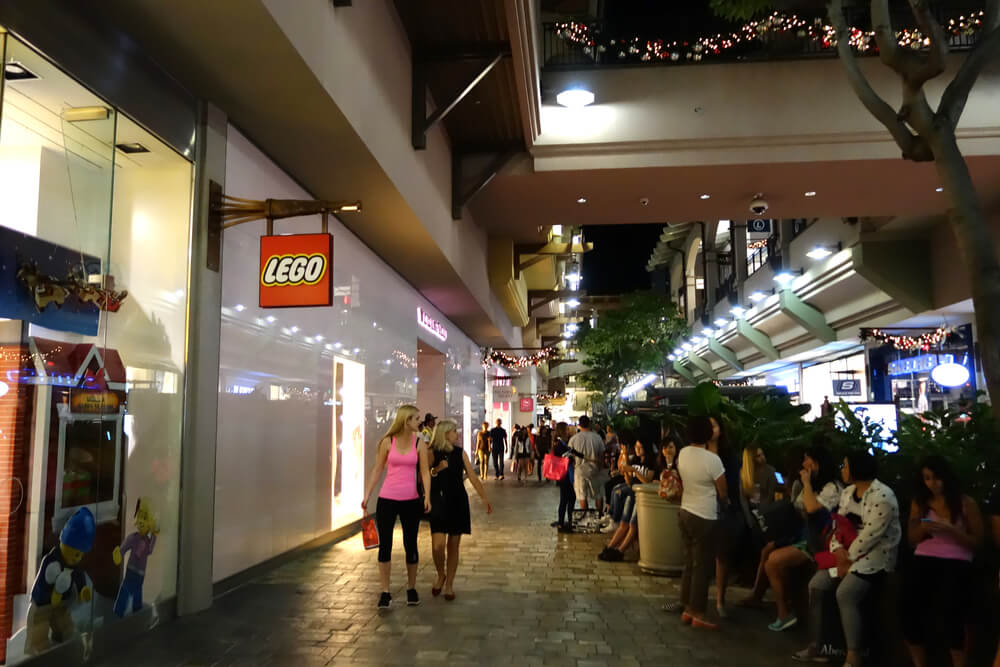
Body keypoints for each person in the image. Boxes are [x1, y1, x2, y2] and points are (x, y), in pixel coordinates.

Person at [793, 451, 901, 667]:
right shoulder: (848, 492)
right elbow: (837, 524)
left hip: (875, 557)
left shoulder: (883, 496)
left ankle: (853, 654)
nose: (842, 469)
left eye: (846, 465)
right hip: (845, 554)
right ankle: (817, 644)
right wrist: (837, 549)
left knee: (846, 593)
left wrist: (846, 557)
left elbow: (871, 535)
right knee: (816, 585)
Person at [741, 444, 843, 630]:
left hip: (818, 542)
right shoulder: (815, 484)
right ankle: (758, 597)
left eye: (807, 459)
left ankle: (783, 613)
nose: (803, 463)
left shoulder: (831, 488)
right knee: (768, 550)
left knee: (773, 562)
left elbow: (811, 509)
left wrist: (805, 483)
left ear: (817, 462)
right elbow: (798, 506)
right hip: (802, 534)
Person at [900, 456, 982, 667]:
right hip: (925, 557)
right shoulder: (920, 503)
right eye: (927, 479)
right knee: (908, 605)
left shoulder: (965, 503)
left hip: (956, 559)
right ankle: (919, 662)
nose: (932, 484)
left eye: (936, 478)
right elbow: (911, 539)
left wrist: (954, 532)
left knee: (952, 609)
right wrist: (923, 528)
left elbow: (978, 542)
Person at [361, 404, 432, 609]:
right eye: (416, 418)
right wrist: (367, 495)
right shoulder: (387, 442)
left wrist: (427, 496)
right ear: (406, 420)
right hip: (387, 500)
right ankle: (385, 591)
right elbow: (377, 469)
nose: (420, 421)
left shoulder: (419, 443)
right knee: (385, 546)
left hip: (411, 500)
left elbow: (425, 472)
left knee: (411, 544)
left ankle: (411, 588)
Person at [426, 420, 493, 601]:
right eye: (454, 431)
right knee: (437, 545)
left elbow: (472, 476)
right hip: (438, 500)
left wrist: (484, 497)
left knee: (454, 545)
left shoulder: (460, 453)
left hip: (457, 500)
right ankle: (441, 574)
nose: (457, 434)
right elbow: (423, 475)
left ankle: (449, 585)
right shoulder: (431, 452)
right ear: (445, 434)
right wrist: (436, 470)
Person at [675, 416, 727, 630]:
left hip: (685, 511)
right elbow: (722, 491)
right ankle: (698, 612)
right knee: (701, 566)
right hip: (704, 515)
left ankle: (686, 607)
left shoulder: (683, 453)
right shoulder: (713, 460)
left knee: (689, 563)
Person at [598, 438, 659, 562]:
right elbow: (629, 482)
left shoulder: (651, 463)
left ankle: (620, 550)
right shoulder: (635, 460)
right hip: (632, 493)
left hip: (642, 496)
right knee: (624, 523)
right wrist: (627, 471)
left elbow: (647, 481)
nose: (637, 450)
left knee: (632, 524)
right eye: (636, 447)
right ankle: (610, 548)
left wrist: (634, 471)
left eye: (640, 447)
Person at [567, 415, 606, 513]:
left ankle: (586, 519)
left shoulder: (574, 439)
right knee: (598, 494)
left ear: (579, 425)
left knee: (582, 496)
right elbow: (602, 455)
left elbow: (570, 457)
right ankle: (599, 517)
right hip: (595, 469)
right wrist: (600, 468)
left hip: (580, 471)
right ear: (590, 424)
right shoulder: (597, 437)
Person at [551, 422, 576, 533]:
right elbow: (565, 458)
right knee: (567, 498)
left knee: (567, 498)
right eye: (567, 428)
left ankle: (565, 521)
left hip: (565, 474)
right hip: (565, 474)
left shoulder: (560, 442)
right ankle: (565, 521)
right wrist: (572, 457)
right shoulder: (560, 443)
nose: (568, 430)